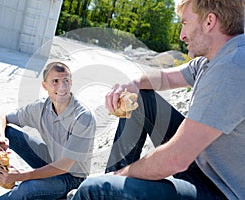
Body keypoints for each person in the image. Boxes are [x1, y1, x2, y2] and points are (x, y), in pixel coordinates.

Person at [72, 0, 245, 199]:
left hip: (222, 191)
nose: (182, 35)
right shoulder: (213, 59)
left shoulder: (232, 67)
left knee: (93, 190)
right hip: (203, 167)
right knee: (141, 100)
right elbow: (165, 77)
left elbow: (176, 159)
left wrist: (117, 177)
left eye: (185, 23)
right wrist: (132, 84)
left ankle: (107, 186)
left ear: (209, 22)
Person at [0, 61, 96, 200]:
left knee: (27, 188)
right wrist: (1, 139)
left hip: (72, 177)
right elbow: (1, 118)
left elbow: (65, 165)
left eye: (66, 81)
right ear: (45, 86)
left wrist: (20, 176)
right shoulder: (40, 107)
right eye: (55, 81)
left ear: (71, 82)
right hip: (50, 158)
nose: (62, 87)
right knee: (8, 132)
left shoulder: (83, 116)